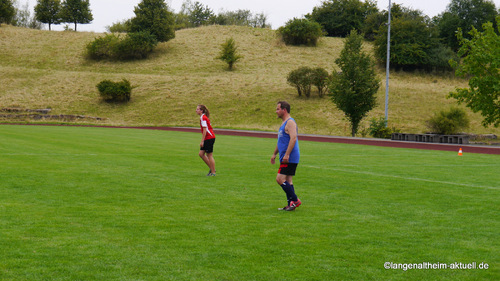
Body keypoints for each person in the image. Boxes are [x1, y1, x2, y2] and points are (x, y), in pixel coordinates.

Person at [271, 101, 301, 211]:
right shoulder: (283, 123)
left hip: (290, 157)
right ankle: (291, 205)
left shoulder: (290, 122)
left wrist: (287, 154)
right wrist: (274, 154)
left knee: (279, 179)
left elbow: (293, 138)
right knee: (288, 181)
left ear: (284, 110)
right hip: (285, 156)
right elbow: (281, 141)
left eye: (278, 109)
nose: (276, 111)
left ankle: (295, 199)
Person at [196, 104, 216, 176]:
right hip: (207, 138)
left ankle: (213, 172)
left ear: (201, 111)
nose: (196, 110)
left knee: (209, 155)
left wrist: (202, 141)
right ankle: (212, 168)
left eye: (198, 109)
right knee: (201, 154)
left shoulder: (203, 118)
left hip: (209, 138)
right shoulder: (203, 117)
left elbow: (205, 130)